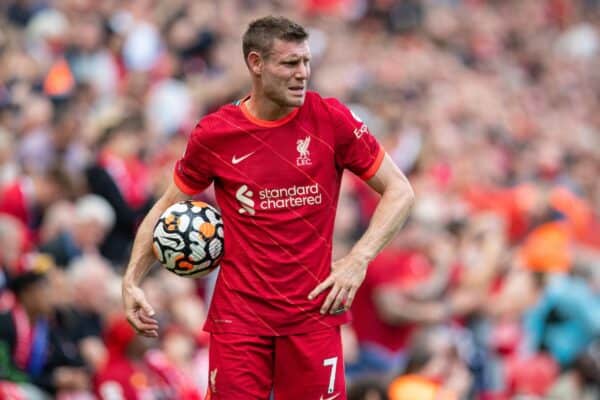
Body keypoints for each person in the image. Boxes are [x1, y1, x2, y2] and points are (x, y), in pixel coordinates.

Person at [122, 16, 414, 400]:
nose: (302, 74)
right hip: (241, 319)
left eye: (306, 62)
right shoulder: (216, 134)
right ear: (256, 63)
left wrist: (359, 258)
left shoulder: (331, 119)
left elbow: (400, 190)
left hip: (313, 315)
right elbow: (163, 210)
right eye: (290, 64)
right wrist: (131, 281)